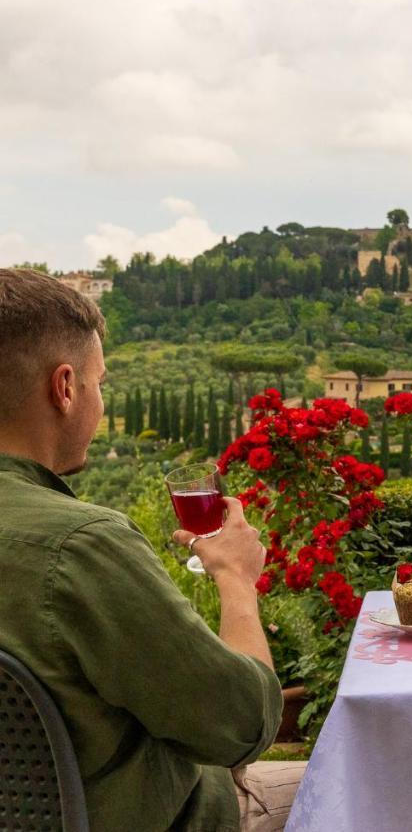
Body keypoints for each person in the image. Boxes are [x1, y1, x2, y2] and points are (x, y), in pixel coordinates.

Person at [0, 269, 303, 831]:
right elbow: (240, 726)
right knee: (340, 787)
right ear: (64, 388)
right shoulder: (82, 547)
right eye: (99, 382)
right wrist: (236, 579)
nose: (99, 399)